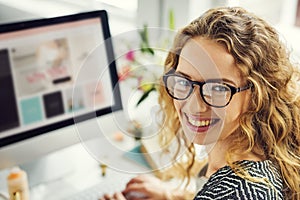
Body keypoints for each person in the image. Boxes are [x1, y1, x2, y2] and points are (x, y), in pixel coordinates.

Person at [102, 6, 300, 200]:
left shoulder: (239, 192)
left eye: (219, 88)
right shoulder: (254, 153)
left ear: (258, 94)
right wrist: (173, 195)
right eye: (184, 81)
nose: (194, 105)